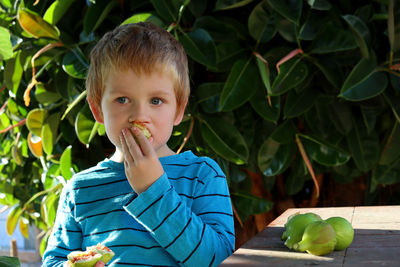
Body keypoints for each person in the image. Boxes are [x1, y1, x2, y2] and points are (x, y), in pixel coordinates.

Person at [41, 22, 235, 266]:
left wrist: (153, 190)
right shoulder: (79, 190)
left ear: (178, 110)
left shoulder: (202, 176)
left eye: (156, 100)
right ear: (97, 110)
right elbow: (54, 261)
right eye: (122, 99)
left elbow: (218, 260)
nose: (139, 115)